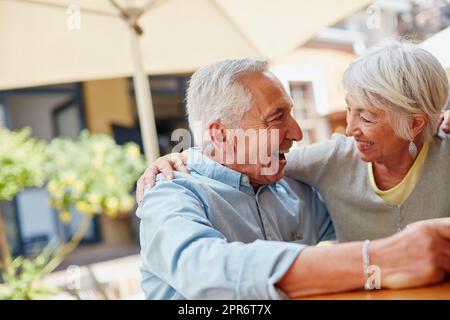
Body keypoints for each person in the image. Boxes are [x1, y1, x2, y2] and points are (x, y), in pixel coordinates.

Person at [137, 58, 450, 300]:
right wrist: (375, 260)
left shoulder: (294, 189)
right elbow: (204, 271)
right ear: (220, 134)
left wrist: (431, 133)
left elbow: (378, 207)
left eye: (292, 115)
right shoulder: (170, 194)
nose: (297, 133)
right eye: (277, 118)